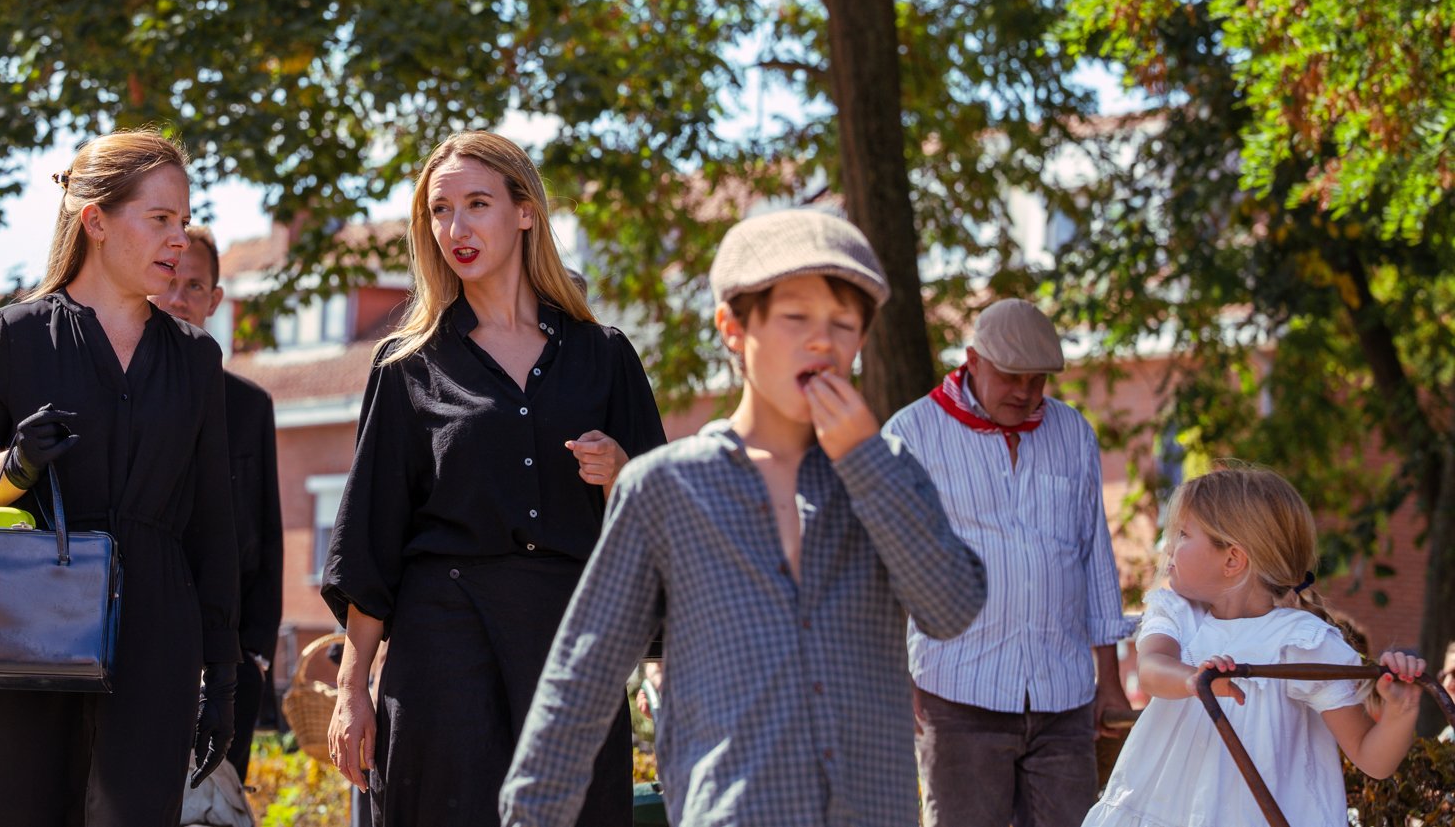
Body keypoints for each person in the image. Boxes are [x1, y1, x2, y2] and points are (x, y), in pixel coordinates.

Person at [500, 208, 987, 827]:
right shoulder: (666, 489)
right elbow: (580, 686)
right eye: (795, 318)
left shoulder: (888, 469)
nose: (822, 342)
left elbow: (953, 608)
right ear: (733, 327)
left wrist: (867, 463)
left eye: (845, 324)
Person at [323, 131, 668, 827]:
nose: (456, 227)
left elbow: (663, 516)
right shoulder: (407, 365)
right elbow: (371, 536)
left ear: (525, 212)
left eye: (477, 203)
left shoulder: (605, 357)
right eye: (440, 210)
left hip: (574, 643)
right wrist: (351, 687)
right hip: (441, 642)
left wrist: (623, 472)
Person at [0, 130, 240, 827]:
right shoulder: (13, 335)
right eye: (159, 219)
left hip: (156, 634)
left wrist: (223, 678)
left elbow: (216, 528)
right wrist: (14, 466)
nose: (179, 239)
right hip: (28, 627)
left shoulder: (197, 361)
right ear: (95, 220)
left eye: (183, 220)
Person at [882, 298, 1133, 827]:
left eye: (1038, 379)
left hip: (1061, 694)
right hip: (956, 695)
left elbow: (1094, 558)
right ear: (973, 360)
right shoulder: (911, 434)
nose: (1025, 391)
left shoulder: (1073, 434)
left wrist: (1107, 679)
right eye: (1011, 375)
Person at [1083, 465, 1428, 827]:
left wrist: (1399, 713)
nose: (1169, 547)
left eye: (1183, 534)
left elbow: (1372, 759)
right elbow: (1151, 670)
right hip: (1167, 809)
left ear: (1232, 559)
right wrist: (1193, 680)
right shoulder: (1178, 614)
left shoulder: (1299, 641)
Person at [150, 225, 283, 782]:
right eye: (170, 281)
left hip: (225, 656)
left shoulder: (249, 407)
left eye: (195, 286)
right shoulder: (116, 391)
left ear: (215, 301)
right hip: (136, 642)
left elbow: (267, 533)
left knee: (216, 803)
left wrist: (253, 651)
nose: (179, 298)